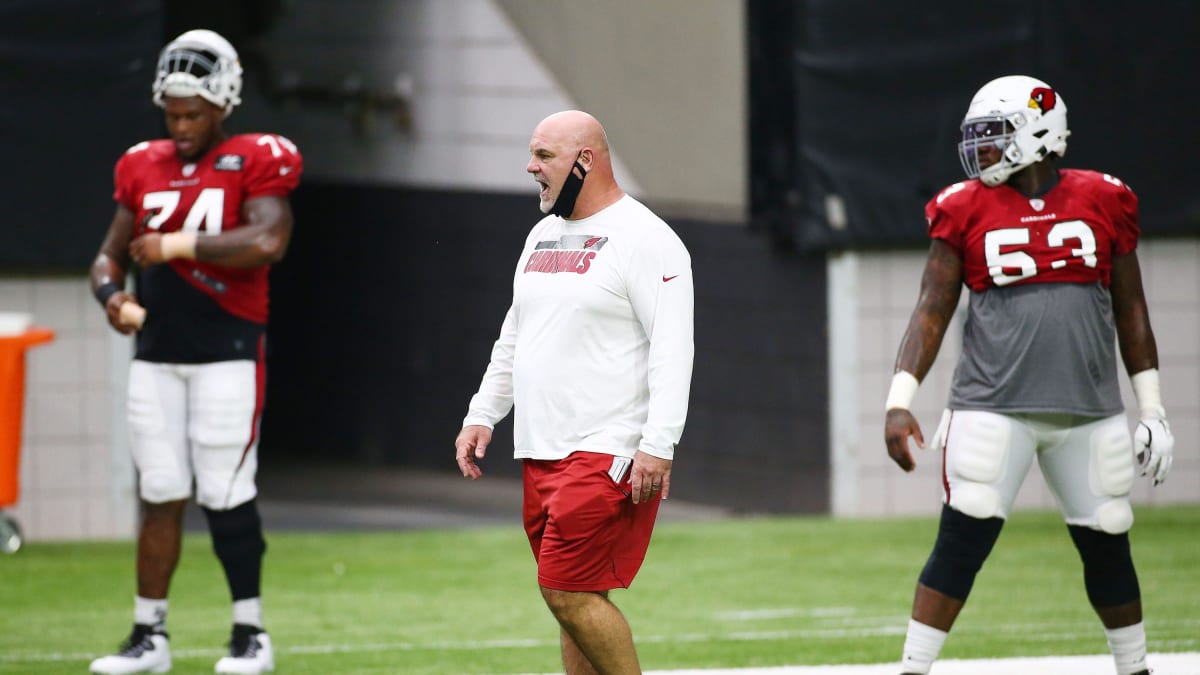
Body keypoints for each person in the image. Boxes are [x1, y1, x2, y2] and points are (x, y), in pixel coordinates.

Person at [883, 75, 1173, 675]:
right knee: (962, 539)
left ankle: (1135, 669)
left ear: (1039, 133)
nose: (981, 149)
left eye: (993, 135)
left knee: (1108, 540)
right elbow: (931, 309)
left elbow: (1132, 308)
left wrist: (1153, 410)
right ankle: (912, 671)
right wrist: (898, 400)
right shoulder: (962, 206)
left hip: (1089, 409)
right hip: (992, 406)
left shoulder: (1104, 198)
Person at [88, 29, 301, 675]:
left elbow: (268, 241)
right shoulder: (141, 163)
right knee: (159, 489)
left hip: (227, 348)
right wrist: (111, 297)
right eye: (173, 114)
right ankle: (149, 635)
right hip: (156, 353)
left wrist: (177, 244)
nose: (180, 127)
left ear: (222, 104)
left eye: (193, 114)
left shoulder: (254, 157)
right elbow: (109, 255)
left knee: (226, 488)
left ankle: (250, 633)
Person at [454, 110, 694, 674]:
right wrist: (483, 413)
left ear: (585, 160)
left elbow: (673, 348)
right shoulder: (542, 235)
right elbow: (515, 333)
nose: (530, 167)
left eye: (544, 155)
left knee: (566, 590)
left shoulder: (647, 238)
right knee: (574, 601)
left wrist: (658, 444)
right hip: (541, 449)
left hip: (607, 448)